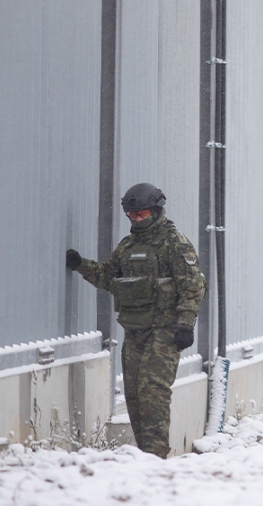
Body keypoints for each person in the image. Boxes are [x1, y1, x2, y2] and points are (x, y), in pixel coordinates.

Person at [66, 183, 206, 458]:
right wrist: (81, 264)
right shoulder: (129, 246)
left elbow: (193, 286)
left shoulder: (174, 242)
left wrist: (185, 324)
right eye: (131, 215)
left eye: (141, 214)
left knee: (153, 392)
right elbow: (108, 276)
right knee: (133, 395)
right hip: (135, 330)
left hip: (165, 331)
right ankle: (144, 457)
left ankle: (155, 458)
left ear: (155, 211)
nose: (136, 220)